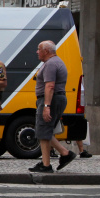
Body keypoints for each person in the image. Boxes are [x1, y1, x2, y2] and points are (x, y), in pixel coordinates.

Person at [30, 40, 76, 173]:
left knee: (43, 130)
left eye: (39, 49)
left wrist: (46, 106)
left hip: (51, 99)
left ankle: (48, 164)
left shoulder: (51, 64)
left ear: (46, 51)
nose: (37, 52)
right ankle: (61, 155)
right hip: (56, 98)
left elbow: (50, 86)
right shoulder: (56, 62)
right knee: (45, 131)